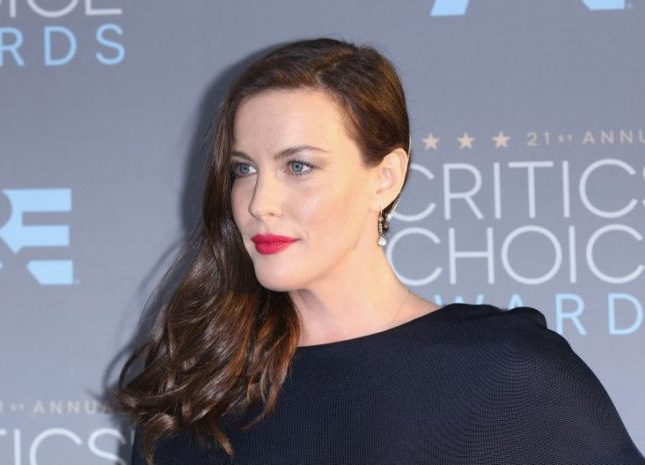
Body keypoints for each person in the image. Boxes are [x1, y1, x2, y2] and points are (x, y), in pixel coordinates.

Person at [114, 37, 645, 465]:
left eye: (298, 166)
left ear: (385, 179)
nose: (260, 203)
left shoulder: (505, 370)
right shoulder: (194, 395)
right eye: (243, 169)